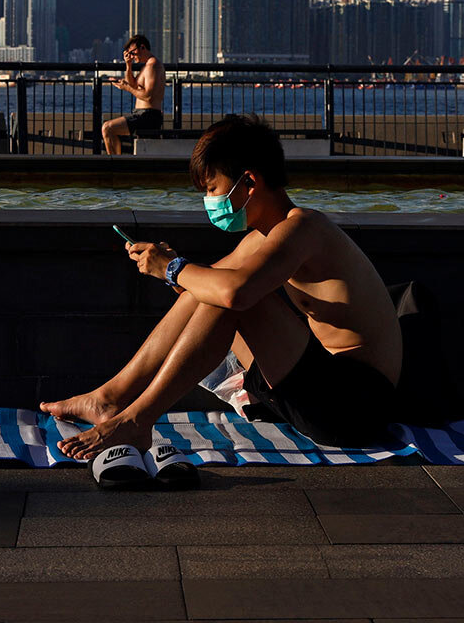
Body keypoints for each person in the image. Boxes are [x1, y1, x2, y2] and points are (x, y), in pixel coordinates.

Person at [43, 113, 404, 459]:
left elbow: (235, 294)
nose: (210, 202)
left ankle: (137, 419)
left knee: (236, 296)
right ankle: (110, 398)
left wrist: (174, 268)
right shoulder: (260, 239)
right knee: (217, 290)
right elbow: (201, 295)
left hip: (356, 405)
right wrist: (170, 268)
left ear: (249, 182)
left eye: (213, 188)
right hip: (313, 393)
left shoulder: (305, 228)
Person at [100, 34, 165, 155]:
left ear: (142, 48)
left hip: (148, 116)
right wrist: (128, 66)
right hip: (141, 114)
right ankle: (116, 164)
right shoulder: (146, 66)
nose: (132, 56)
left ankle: (115, 167)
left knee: (107, 128)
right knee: (108, 129)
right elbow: (134, 85)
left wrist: (127, 88)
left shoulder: (153, 66)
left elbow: (148, 96)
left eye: (133, 52)